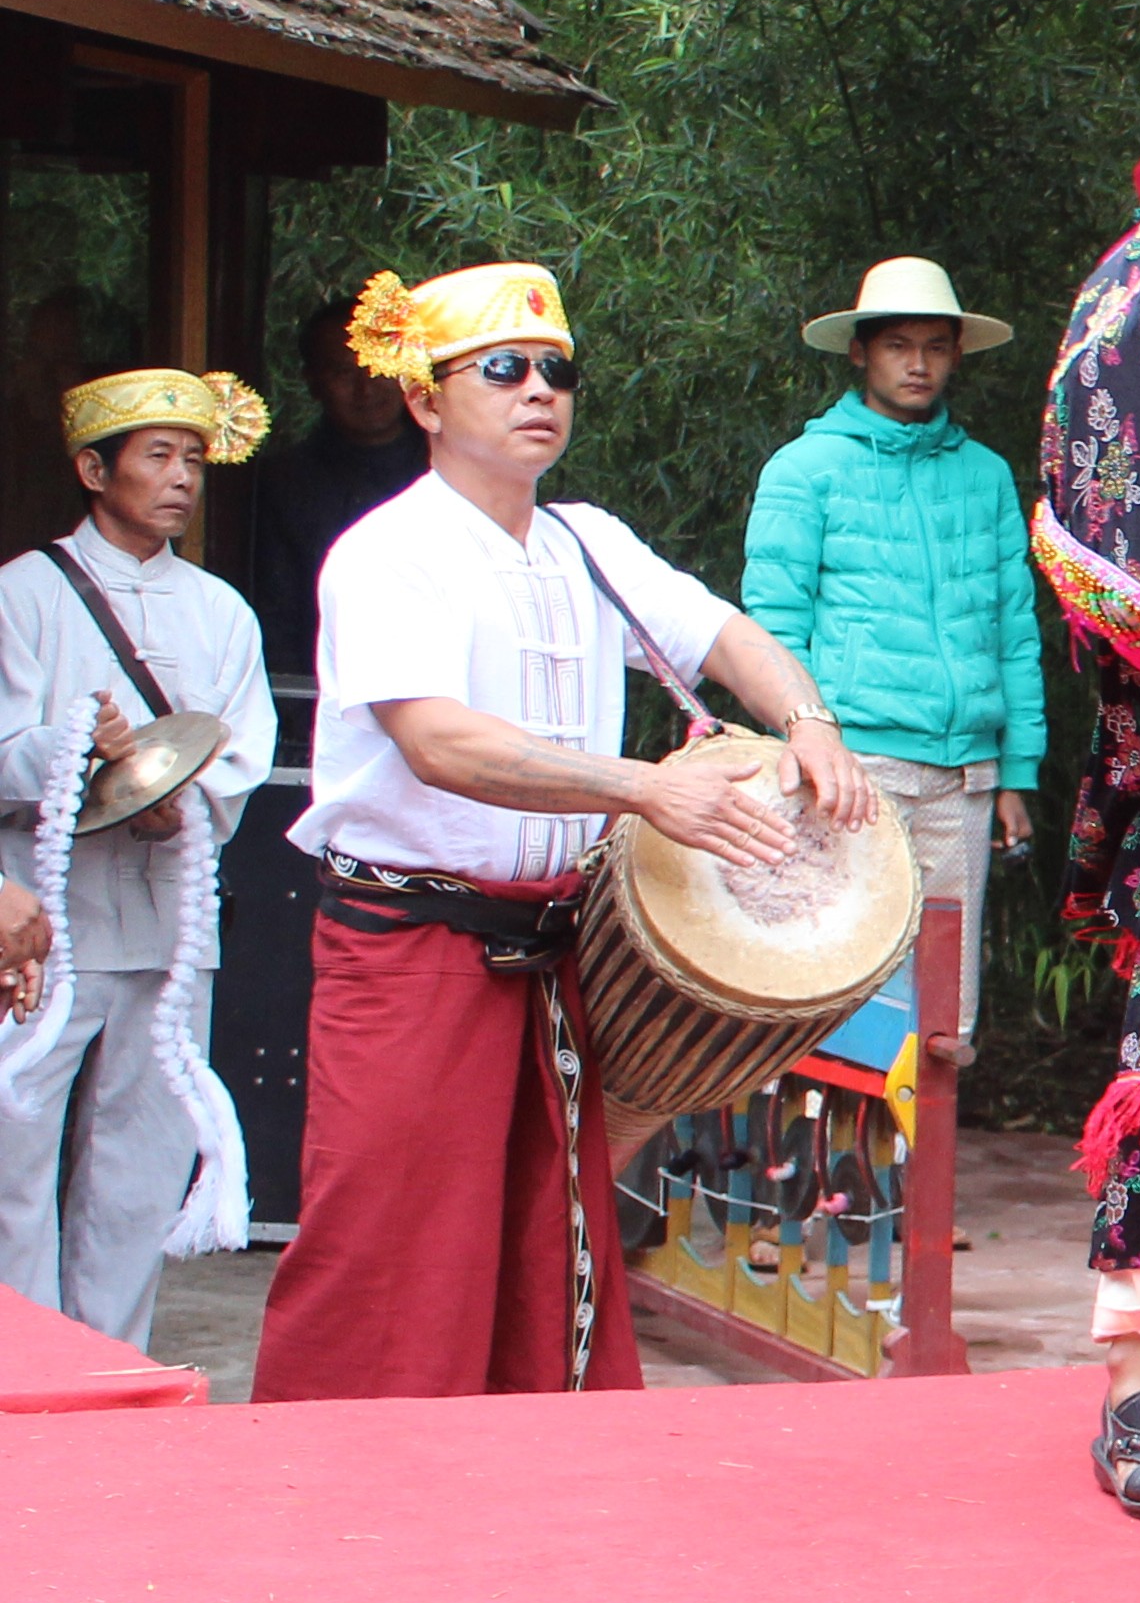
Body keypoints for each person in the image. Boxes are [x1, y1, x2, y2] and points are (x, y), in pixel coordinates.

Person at [253, 263, 873, 1400]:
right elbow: (438, 742)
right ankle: (334, 1510)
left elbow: (727, 633)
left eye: (558, 370)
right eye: (504, 368)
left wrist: (809, 721)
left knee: (552, 1236)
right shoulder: (390, 552)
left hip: (557, 947)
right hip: (411, 947)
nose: (539, 388)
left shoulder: (587, 539)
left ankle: (528, 1501)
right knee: (389, 1249)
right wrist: (642, 789)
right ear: (426, 401)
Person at [0, 369, 278, 1344]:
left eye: (194, 458)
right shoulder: (23, 595)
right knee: (12, 1153)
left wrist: (180, 802)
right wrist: (77, 746)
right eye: (157, 455)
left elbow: (242, 756)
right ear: (92, 467)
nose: (180, 479)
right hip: (41, 923)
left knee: (140, 1164)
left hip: (168, 924)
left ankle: (112, 1361)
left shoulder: (221, 613)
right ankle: (25, 1359)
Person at [739, 258, 1042, 1052]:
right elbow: (771, 629)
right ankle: (835, 1177)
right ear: (860, 353)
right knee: (840, 983)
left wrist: (1017, 772)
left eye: (936, 347)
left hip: (967, 771)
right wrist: (802, 742)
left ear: (955, 356)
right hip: (852, 765)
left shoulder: (985, 476)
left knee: (947, 1011)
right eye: (899, 345)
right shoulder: (805, 470)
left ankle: (924, 1177)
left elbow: (1013, 624)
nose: (918, 364)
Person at [244, 285, 430, 644]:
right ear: (313, 382)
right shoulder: (281, 485)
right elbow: (277, 614)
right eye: (344, 373)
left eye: (377, 367)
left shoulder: (452, 471)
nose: (366, 388)